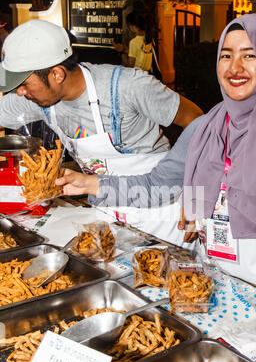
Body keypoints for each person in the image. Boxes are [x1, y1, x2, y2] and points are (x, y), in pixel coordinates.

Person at [57, 14, 256, 301]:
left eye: (250, 55)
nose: (235, 67)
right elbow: (158, 185)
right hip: (215, 284)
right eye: (226, 55)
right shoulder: (206, 127)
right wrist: (92, 185)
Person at [0, 19, 202, 247]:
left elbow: (198, 121)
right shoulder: (38, 99)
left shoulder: (128, 86)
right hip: (109, 215)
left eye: (25, 84)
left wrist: (198, 193)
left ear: (57, 74)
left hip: (163, 214)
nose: (19, 92)